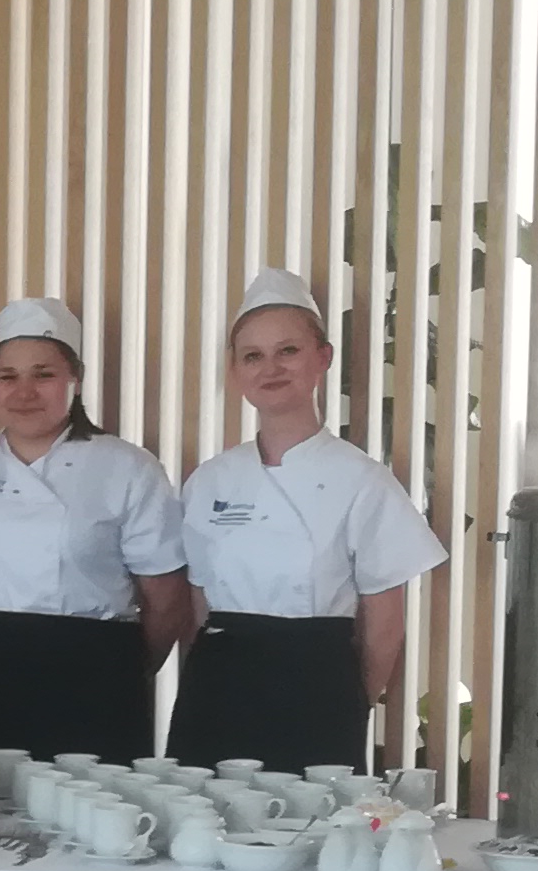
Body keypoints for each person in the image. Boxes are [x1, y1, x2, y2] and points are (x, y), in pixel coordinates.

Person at [172, 268, 446, 774]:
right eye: (252, 356)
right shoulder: (210, 480)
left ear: (323, 357)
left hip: (318, 686)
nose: (270, 368)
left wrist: (347, 704)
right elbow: (196, 606)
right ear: (235, 371)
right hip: (217, 685)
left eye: (288, 351)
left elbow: (385, 626)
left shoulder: (363, 480)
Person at [0, 297, 194, 762]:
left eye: (43, 374)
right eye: (7, 377)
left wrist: (117, 671)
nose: (24, 392)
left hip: (91, 681)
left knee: (88, 804)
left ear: (75, 379)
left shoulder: (128, 467)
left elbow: (167, 600)